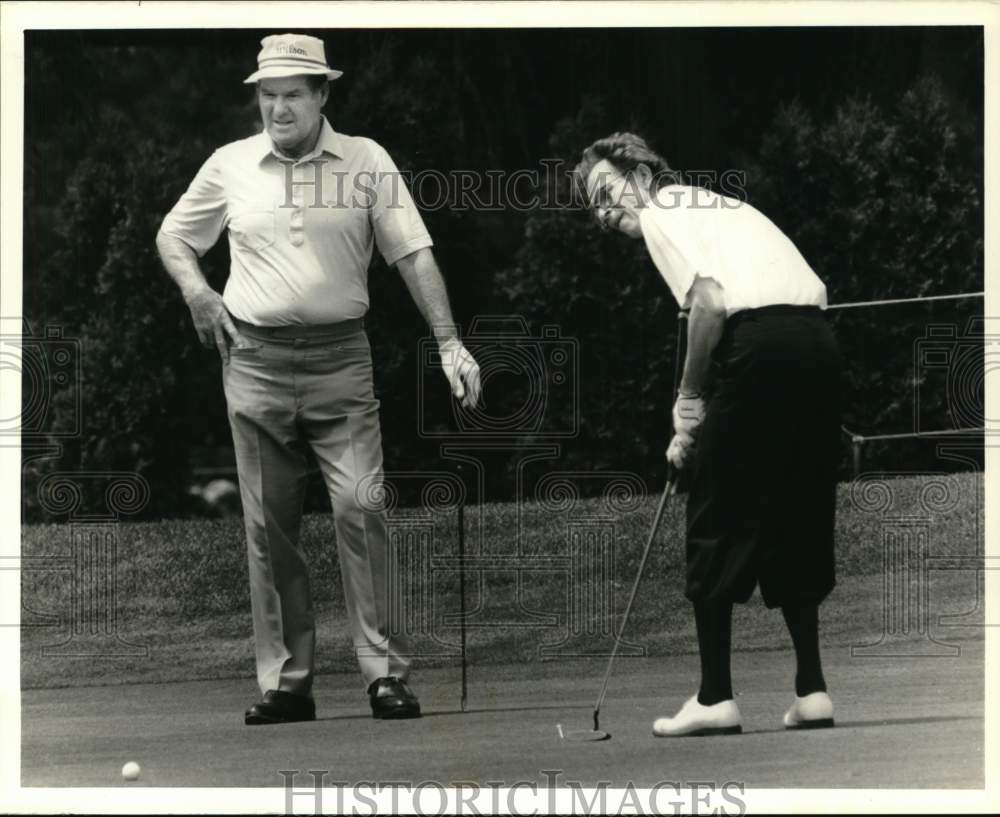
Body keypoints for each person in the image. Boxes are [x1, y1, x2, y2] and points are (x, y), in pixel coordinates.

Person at [156, 34, 481, 725]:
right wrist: (198, 293)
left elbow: (413, 254)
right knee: (269, 525)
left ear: (322, 94)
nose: (277, 108)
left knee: (361, 508)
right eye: (267, 96)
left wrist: (450, 342)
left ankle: (385, 673)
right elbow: (173, 236)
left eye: (291, 95)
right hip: (254, 359)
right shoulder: (230, 165)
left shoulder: (365, 160)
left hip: (341, 359)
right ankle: (288, 682)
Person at [576, 133, 845, 737]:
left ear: (641, 173)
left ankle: (716, 697)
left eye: (606, 191)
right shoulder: (719, 206)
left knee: (716, 512)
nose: (603, 212)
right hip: (817, 346)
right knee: (794, 510)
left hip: (760, 347)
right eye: (593, 208)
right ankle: (812, 691)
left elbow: (710, 305)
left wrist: (689, 399)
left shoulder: (662, 212)